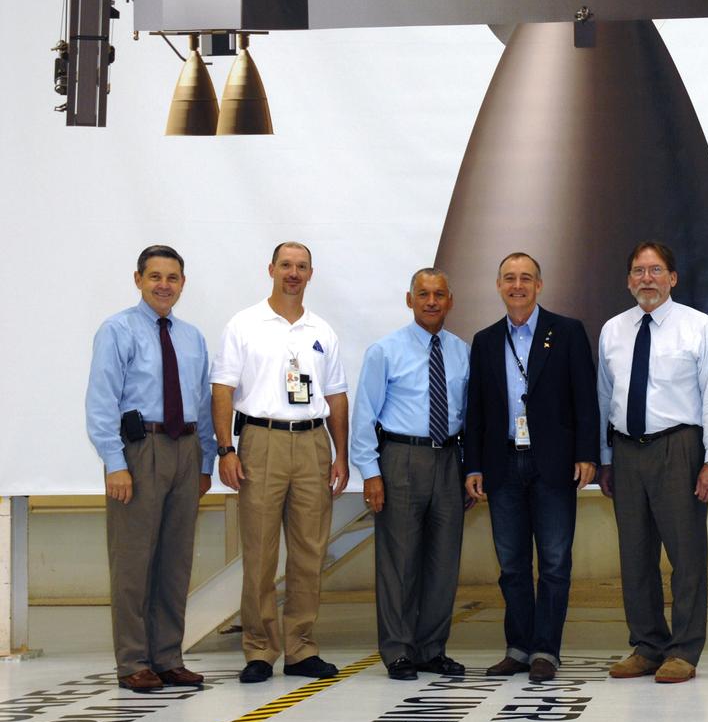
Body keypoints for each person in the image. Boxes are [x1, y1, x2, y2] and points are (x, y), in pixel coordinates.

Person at [211, 242, 349, 683]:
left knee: (310, 552)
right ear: (270, 269)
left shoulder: (322, 330)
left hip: (312, 444)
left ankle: (300, 648)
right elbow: (222, 390)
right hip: (260, 442)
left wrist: (340, 453)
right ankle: (259, 649)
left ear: (311, 274)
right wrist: (225, 449)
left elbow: (336, 396)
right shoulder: (244, 324)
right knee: (260, 552)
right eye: (286, 265)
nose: (293, 273)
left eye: (301, 267)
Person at [597, 241, 708, 684]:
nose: (646, 279)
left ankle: (684, 650)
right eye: (638, 271)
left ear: (673, 278)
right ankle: (648, 644)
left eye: (656, 270)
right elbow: (605, 397)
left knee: (686, 554)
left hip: (679, 448)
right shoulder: (613, 330)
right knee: (634, 555)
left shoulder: (698, 327)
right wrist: (605, 458)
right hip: (627, 452)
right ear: (628, 280)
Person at [85, 245, 216, 692]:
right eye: (155, 276)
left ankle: (167, 657)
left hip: (184, 452)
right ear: (138, 279)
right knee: (133, 561)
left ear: (183, 283)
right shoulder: (117, 330)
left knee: (175, 561)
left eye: (173, 277)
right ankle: (132, 661)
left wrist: (206, 460)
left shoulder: (191, 337)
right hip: (140, 453)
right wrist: (115, 464)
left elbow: (200, 401)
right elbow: (102, 402)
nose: (164, 285)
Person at [464, 253, 598, 683]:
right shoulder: (484, 340)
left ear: (539, 285)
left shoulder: (568, 331)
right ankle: (518, 647)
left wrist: (587, 454)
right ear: (498, 285)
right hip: (503, 465)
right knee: (512, 565)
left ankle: (546, 650)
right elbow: (477, 410)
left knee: (556, 562)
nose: (517, 285)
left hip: (553, 464)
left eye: (525, 278)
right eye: (509, 278)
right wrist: (473, 466)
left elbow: (585, 398)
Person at [352, 268, 471, 680]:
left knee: (444, 563)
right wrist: (371, 473)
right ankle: (399, 650)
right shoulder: (384, 351)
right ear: (409, 299)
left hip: (449, 460)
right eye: (424, 294)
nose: (432, 301)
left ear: (450, 300)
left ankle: (431, 649)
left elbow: (467, 414)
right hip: (401, 458)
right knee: (399, 561)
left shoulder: (460, 351)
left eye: (440, 294)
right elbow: (364, 416)